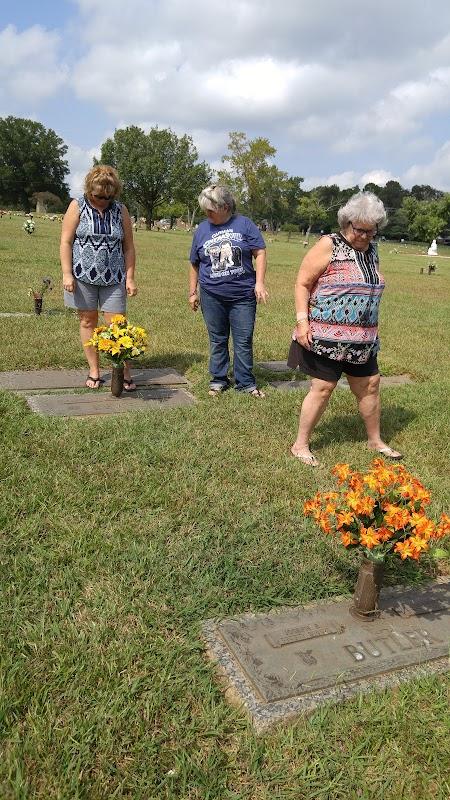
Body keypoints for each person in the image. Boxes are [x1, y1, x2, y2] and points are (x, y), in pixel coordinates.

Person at [288, 191, 402, 466]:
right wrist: (302, 322)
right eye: (359, 229)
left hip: (363, 338)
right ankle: (300, 445)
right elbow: (302, 283)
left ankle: (375, 440)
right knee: (323, 387)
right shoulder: (329, 244)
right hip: (325, 335)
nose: (364, 236)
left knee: (370, 386)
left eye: (371, 231)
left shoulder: (372, 250)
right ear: (346, 222)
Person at [60, 165, 138, 390]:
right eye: (98, 196)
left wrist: (130, 278)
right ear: (89, 190)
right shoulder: (77, 206)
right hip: (82, 276)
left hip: (114, 278)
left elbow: (129, 247)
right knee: (87, 321)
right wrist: (67, 273)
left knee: (117, 326)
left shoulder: (121, 210)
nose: (103, 200)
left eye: (108, 197)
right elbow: (66, 241)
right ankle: (94, 370)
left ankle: (123, 371)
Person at [189, 184, 268, 397]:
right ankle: (218, 380)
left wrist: (259, 283)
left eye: (210, 210)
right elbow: (194, 262)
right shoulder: (202, 229)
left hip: (243, 296)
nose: (207, 215)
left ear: (224, 207)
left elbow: (260, 252)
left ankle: (246, 383)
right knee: (217, 339)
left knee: (243, 340)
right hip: (211, 295)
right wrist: (192, 292)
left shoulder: (244, 224)